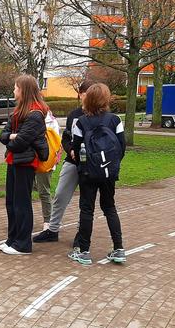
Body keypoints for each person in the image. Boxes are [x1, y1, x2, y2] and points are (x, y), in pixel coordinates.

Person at [68, 82, 126, 265]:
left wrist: (85, 165)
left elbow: (76, 150)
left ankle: (84, 251)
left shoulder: (81, 122)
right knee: (110, 207)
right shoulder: (115, 120)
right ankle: (118, 249)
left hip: (88, 172)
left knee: (87, 209)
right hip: (109, 171)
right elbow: (121, 148)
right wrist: (110, 165)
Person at [34, 80, 94, 244]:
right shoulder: (74, 115)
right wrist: (71, 150)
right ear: (80, 94)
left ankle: (82, 234)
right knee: (60, 195)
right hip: (72, 162)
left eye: (91, 94)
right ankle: (52, 230)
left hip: (91, 165)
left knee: (86, 200)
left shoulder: (98, 115)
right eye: (85, 94)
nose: (87, 97)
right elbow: (66, 138)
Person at [0, 74, 49, 255]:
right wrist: (12, 136)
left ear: (23, 90)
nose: (13, 90)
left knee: (22, 203)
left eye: (15, 87)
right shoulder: (18, 111)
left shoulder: (35, 114)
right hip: (14, 161)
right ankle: (12, 239)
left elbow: (19, 142)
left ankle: (23, 244)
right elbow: (2, 135)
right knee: (11, 202)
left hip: (26, 163)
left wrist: (11, 139)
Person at [33, 109, 60, 232]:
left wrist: (56, 157)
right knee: (28, 189)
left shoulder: (51, 121)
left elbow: (57, 142)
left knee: (44, 191)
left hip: (45, 161)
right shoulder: (29, 116)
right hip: (29, 159)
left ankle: (48, 220)